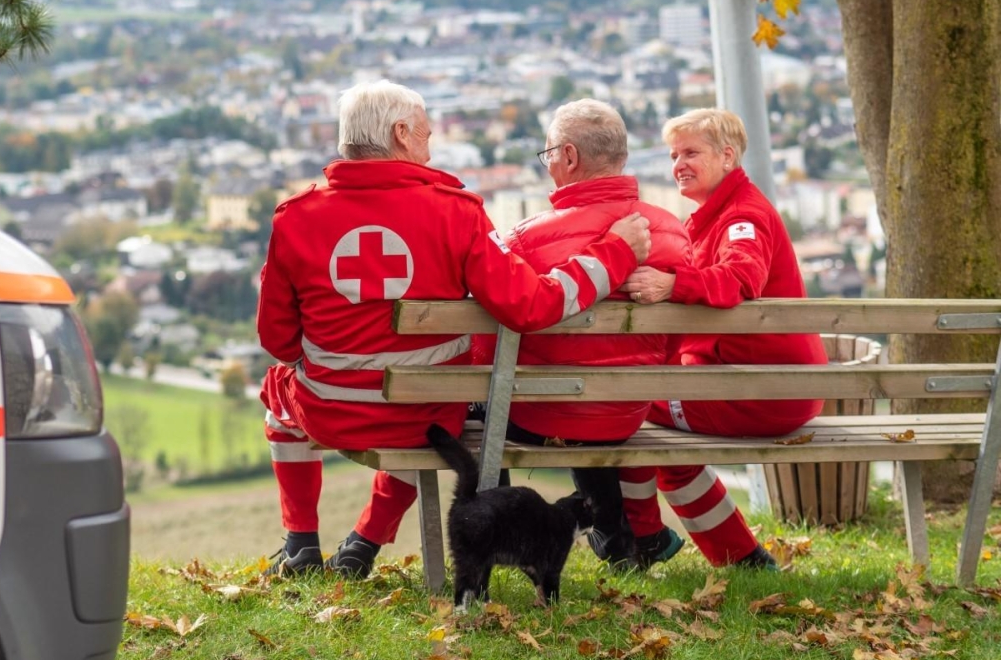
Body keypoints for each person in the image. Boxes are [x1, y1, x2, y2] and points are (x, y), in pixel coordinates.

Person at [256, 80, 652, 578]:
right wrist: (614, 250)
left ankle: (300, 545)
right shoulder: (456, 211)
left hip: (330, 411)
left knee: (278, 394)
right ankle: (365, 539)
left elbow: (277, 340)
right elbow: (530, 305)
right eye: (424, 133)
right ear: (400, 134)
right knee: (416, 411)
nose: (430, 144)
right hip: (427, 414)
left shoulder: (296, 217)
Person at [477, 99, 766, 570]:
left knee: (485, 404)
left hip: (542, 416)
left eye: (548, 152)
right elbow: (675, 340)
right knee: (582, 403)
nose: (547, 162)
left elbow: (489, 346)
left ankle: (515, 543)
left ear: (568, 157)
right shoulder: (673, 232)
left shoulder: (525, 241)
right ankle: (621, 537)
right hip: (628, 413)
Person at [621, 107, 828, 569]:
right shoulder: (722, 213)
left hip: (760, 389)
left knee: (624, 405)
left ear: (728, 156)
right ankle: (739, 558)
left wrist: (672, 286)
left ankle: (637, 539)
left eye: (691, 152)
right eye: (674, 155)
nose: (679, 164)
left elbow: (739, 278)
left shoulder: (743, 217)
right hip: (762, 382)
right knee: (662, 440)